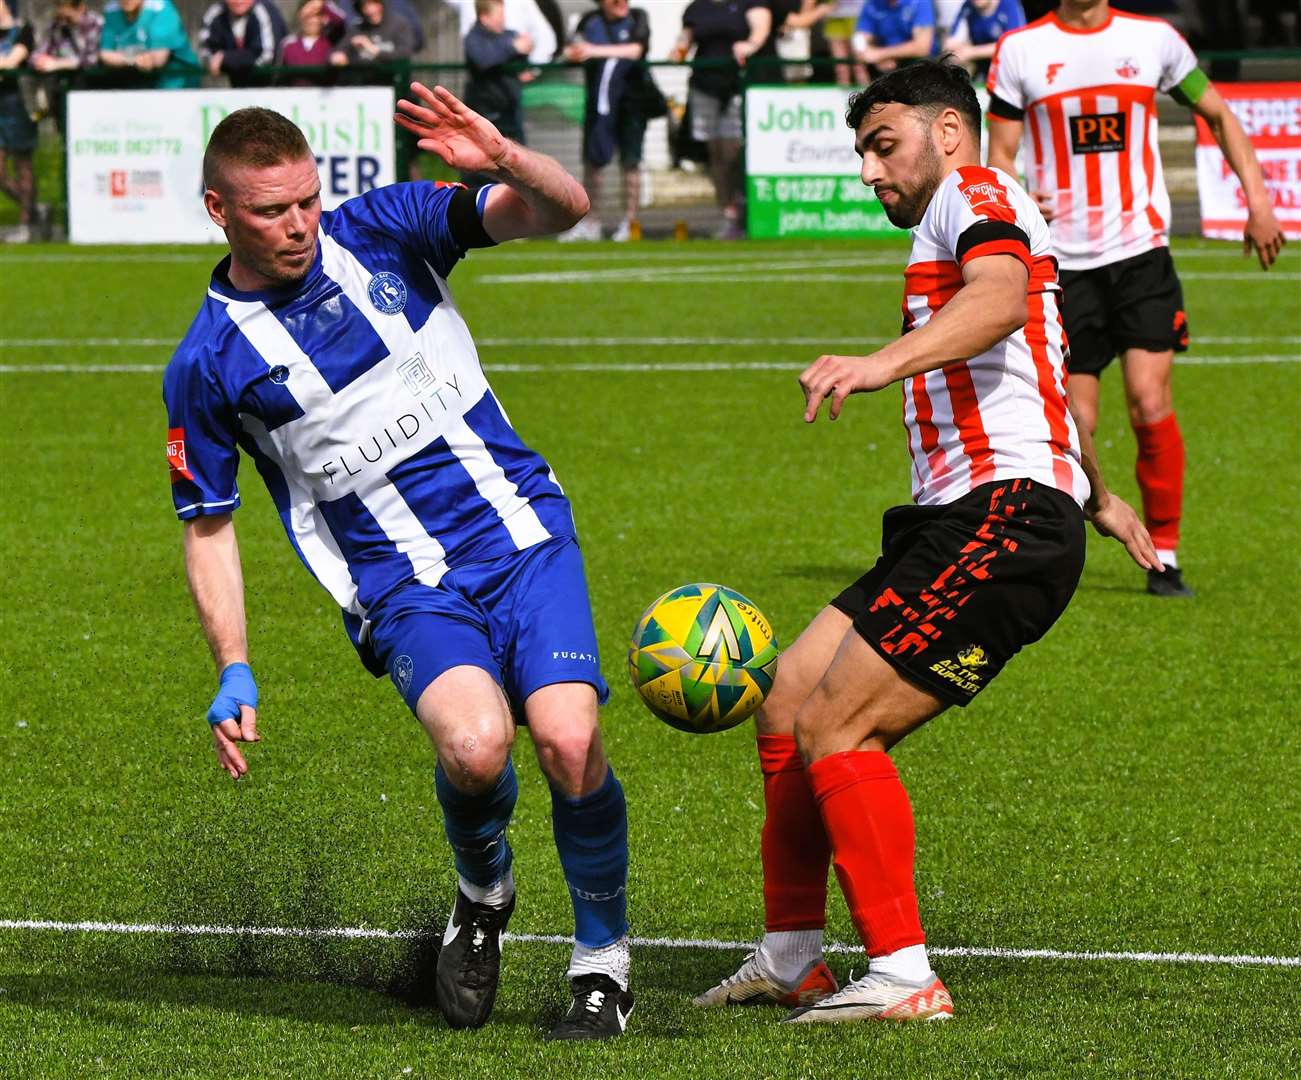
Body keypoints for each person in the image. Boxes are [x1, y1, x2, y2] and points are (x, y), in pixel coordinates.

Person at [693, 58, 1159, 1024]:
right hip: (970, 515)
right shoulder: (963, 214)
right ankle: (790, 957)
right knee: (784, 700)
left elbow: (994, 303)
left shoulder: (974, 192)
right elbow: (1034, 359)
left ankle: (903, 976)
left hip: (1002, 519)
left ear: (948, 132)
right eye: (862, 151)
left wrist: (877, 364)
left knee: (839, 726)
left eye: (882, 144)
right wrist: (1102, 497)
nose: (869, 171)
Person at [162, 88, 633, 1040]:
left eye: (305, 201)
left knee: (570, 742)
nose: (296, 226)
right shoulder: (209, 362)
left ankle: (601, 964)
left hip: (520, 532)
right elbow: (208, 524)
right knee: (474, 748)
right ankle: (483, 891)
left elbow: (560, 211)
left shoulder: (383, 227)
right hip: (401, 581)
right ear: (219, 211)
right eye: (269, 211)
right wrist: (234, 665)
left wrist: (504, 158)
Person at [985, 0, 1286, 597]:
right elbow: (999, 152)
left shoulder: (1155, 40)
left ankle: (1165, 555)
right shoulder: (1020, 50)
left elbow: (1219, 113)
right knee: (1078, 423)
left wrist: (1258, 202)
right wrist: (1017, 194)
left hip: (1141, 256)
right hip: (1062, 265)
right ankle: (1051, 558)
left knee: (1150, 402)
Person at [673, 0, 773, 240]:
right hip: (704, 85)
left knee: (731, 149)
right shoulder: (696, 8)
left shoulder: (749, 3)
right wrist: (677, 50)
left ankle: (741, 207)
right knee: (714, 151)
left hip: (736, 84)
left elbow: (761, 29)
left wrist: (750, 45)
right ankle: (726, 212)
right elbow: (685, 40)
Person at [560, 0, 651, 242]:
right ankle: (591, 222)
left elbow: (635, 50)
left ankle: (630, 222)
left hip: (631, 103)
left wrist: (594, 50)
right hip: (598, 104)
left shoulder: (638, 17)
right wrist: (575, 52)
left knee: (630, 162)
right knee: (593, 164)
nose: (621, 3)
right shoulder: (589, 20)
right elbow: (572, 48)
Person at [462, 0, 532, 150]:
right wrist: (513, 47)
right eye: (499, 15)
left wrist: (525, 48)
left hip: (511, 111)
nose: (503, 19)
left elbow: (522, 57)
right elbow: (484, 58)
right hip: (485, 112)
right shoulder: (473, 39)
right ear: (484, 18)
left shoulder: (509, 35)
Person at [99, 0, 200, 89]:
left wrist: (124, 59)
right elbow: (105, 54)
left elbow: (157, 60)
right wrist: (133, 60)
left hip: (177, 80)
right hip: (139, 82)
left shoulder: (160, 7)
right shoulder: (111, 10)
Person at [0, 0, 36, 242]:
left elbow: (13, 61)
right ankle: (35, 208)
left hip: (18, 105)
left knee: (23, 164)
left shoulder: (23, 30)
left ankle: (26, 222)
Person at [200, 0, 287, 87]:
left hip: (272, 86)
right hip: (237, 87)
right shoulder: (216, 12)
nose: (238, 1)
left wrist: (227, 58)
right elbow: (207, 53)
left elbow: (267, 56)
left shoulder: (264, 11)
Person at [852, 0, 940, 76]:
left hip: (920, 69)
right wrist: (871, 57)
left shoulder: (919, 2)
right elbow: (860, 38)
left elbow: (922, 48)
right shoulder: (873, 3)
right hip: (884, 70)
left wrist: (880, 55)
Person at [945, 0, 1023, 76]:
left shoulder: (1008, 4)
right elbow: (952, 41)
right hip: (980, 67)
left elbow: (1012, 44)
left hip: (1007, 67)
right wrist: (955, 52)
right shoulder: (968, 6)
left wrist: (972, 52)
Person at [278, 0, 342, 77]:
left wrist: (323, 3)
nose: (312, 20)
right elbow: (278, 75)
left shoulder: (331, 41)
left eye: (317, 15)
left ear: (323, 18)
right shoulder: (288, 44)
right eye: (308, 16)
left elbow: (341, 20)